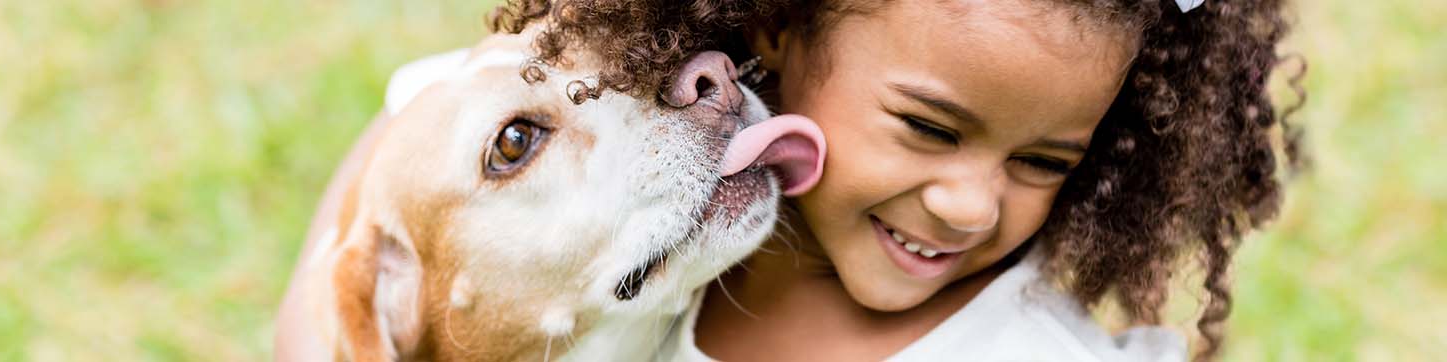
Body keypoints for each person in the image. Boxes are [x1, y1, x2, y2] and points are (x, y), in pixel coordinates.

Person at [487, 0, 1302, 360]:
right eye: (929, 128)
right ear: (777, 26)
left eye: (1044, 162)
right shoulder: (663, 208)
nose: (971, 205)